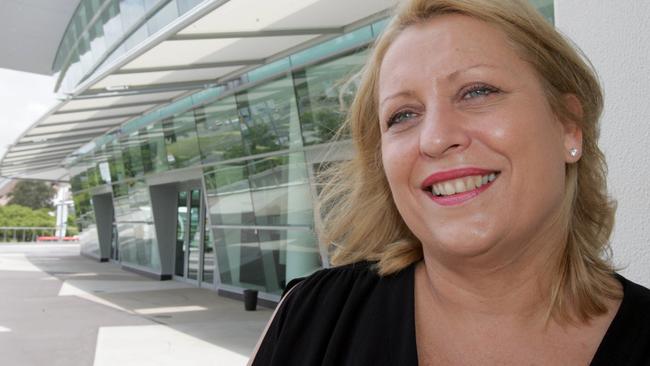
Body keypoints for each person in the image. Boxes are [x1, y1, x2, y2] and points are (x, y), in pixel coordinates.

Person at [250, 0, 650, 364]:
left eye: (477, 91)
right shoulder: (309, 320)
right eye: (403, 115)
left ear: (569, 127)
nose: (436, 138)